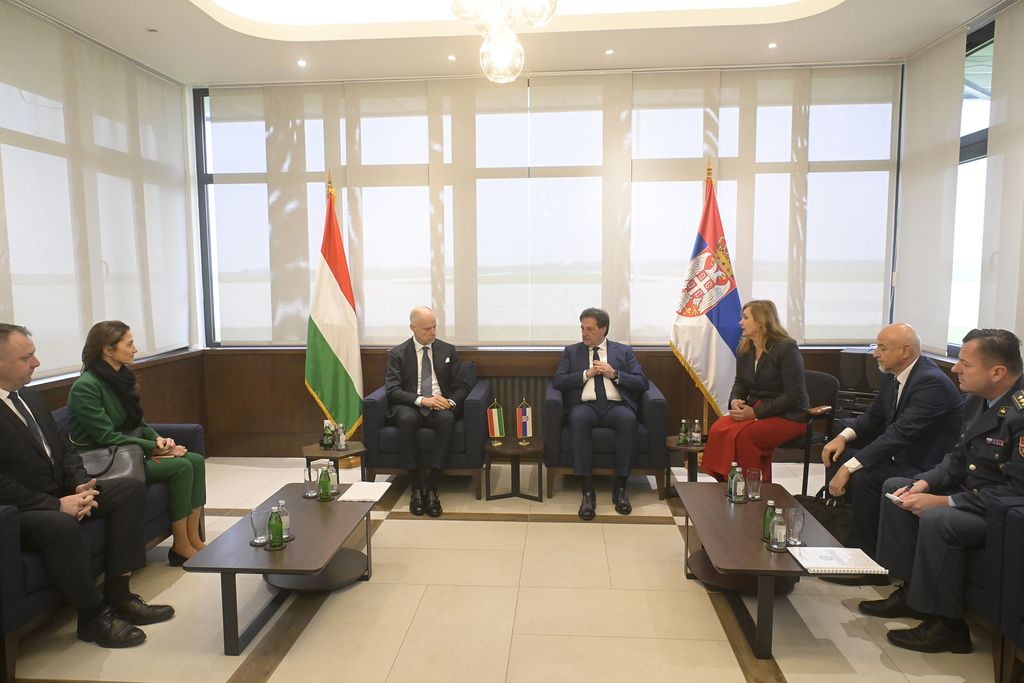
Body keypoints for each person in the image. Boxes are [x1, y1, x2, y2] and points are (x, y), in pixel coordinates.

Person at [0, 323, 174, 648]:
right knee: (61, 525)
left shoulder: (30, 398)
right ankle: (93, 617)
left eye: (34, 354)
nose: (36, 362)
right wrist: (56, 505)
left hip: (61, 492)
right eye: (26, 357)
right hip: (20, 511)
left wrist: (80, 484)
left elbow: (63, 449)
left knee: (129, 489)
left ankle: (119, 595)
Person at [859, 328, 1024, 654]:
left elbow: (1016, 490)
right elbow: (957, 459)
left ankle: (947, 626)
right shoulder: (977, 400)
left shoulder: (1020, 414)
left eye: (965, 364)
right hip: (975, 493)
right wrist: (925, 483)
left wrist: (946, 501)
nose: (955, 369)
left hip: (1001, 511)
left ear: (997, 372)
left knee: (938, 519)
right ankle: (910, 592)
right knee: (898, 488)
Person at [821, 323, 962, 574]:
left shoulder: (931, 383)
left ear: (905, 351)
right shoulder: (893, 374)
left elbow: (899, 434)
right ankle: (845, 534)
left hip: (925, 465)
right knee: (837, 457)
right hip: (900, 456)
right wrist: (841, 437)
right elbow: (874, 416)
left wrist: (849, 468)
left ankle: (866, 557)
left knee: (862, 476)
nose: (875, 353)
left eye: (882, 348)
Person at [67, 321, 206, 566]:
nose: (135, 349)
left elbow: (138, 422)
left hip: (128, 450)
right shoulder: (86, 386)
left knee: (195, 460)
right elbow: (106, 437)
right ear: (107, 349)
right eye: (129, 344)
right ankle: (181, 545)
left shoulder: (121, 377)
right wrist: (152, 448)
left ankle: (194, 539)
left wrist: (159, 440)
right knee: (181, 466)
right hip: (106, 460)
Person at [552, 307, 650, 520]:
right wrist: (586, 374)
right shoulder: (571, 352)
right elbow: (558, 381)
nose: (584, 333)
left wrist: (614, 374)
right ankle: (588, 492)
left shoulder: (623, 351)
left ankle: (620, 489)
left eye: (589, 329)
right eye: (582, 328)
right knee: (577, 420)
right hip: (585, 406)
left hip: (616, 406)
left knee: (628, 420)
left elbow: (642, 382)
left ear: (603, 329)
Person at [700, 299, 809, 482]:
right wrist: (735, 400)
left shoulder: (786, 348)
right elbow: (740, 383)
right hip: (758, 409)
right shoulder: (745, 348)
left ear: (760, 321)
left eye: (745, 318)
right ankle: (727, 483)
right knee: (718, 428)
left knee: (746, 436)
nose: (740, 322)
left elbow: (794, 396)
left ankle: (753, 488)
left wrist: (756, 413)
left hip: (789, 415)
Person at [385, 306, 470, 517]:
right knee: (405, 419)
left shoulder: (448, 350)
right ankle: (415, 486)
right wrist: (423, 400)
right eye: (426, 329)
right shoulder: (398, 354)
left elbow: (462, 385)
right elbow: (393, 390)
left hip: (440, 404)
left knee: (447, 419)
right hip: (411, 404)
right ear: (412, 328)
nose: (432, 332)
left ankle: (432, 487)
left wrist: (449, 402)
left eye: (434, 327)